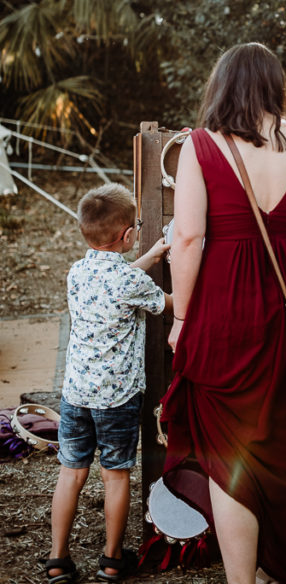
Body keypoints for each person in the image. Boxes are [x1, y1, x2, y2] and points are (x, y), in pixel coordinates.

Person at [161, 42, 286, 584]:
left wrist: (181, 319)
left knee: (230, 452)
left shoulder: (200, 146)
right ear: (276, 86)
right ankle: (273, 567)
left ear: (221, 85)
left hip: (227, 304)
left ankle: (244, 578)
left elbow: (191, 236)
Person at [46, 184, 171, 584]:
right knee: (115, 474)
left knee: (71, 473)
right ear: (128, 235)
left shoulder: (78, 272)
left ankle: (57, 560)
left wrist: (150, 256)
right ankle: (113, 560)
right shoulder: (129, 283)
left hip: (76, 394)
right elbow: (169, 303)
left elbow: (114, 282)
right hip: (117, 398)